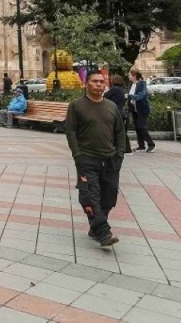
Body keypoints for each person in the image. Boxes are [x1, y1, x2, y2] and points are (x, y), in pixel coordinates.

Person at [66, 70, 126, 247]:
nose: (99, 84)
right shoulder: (76, 106)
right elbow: (70, 131)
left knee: (108, 196)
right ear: (87, 84)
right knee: (89, 196)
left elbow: (120, 133)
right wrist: (77, 155)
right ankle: (102, 231)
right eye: (95, 81)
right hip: (87, 158)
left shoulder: (111, 106)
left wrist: (119, 155)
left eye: (102, 81)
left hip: (110, 159)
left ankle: (95, 227)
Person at [128, 70, 156, 153]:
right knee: (137, 127)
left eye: (130, 75)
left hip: (143, 109)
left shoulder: (141, 84)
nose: (128, 76)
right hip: (134, 109)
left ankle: (151, 144)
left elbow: (142, 94)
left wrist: (132, 96)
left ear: (134, 76)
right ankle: (141, 146)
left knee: (141, 126)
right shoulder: (131, 84)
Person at [104, 75, 132, 155]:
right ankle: (125, 149)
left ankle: (126, 149)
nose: (110, 81)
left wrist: (105, 91)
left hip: (115, 112)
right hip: (120, 111)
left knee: (118, 131)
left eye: (111, 79)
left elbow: (104, 97)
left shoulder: (114, 89)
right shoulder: (121, 90)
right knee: (120, 131)